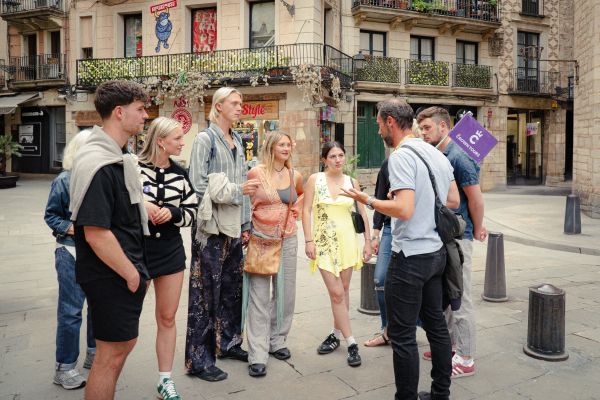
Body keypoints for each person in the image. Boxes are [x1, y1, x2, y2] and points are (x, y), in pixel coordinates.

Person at [339, 98, 459, 400]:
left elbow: (403, 210)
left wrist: (367, 199)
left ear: (390, 121)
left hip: (411, 258)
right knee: (436, 328)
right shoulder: (435, 154)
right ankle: (440, 394)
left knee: (403, 337)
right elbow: (453, 200)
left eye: (379, 123)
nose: (378, 129)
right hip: (437, 255)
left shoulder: (401, 157)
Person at [69, 80, 150, 400]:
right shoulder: (99, 163)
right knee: (109, 357)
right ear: (119, 113)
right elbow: (96, 232)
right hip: (111, 275)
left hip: (120, 272)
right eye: (140, 109)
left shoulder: (117, 158)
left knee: (119, 349)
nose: (146, 115)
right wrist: (131, 275)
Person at [185, 87, 260, 382]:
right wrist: (235, 192)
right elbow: (197, 185)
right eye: (235, 103)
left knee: (232, 291)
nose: (240, 107)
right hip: (211, 230)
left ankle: (228, 343)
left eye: (241, 103)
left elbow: (243, 181)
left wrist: (245, 226)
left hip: (234, 229)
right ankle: (199, 360)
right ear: (218, 107)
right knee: (205, 295)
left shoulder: (238, 140)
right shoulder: (205, 140)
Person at [417, 107, 488, 378]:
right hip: (445, 235)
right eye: (420, 129)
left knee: (461, 298)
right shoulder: (439, 154)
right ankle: (448, 346)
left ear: (444, 127)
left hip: (460, 237)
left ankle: (466, 357)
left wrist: (478, 227)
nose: (423, 134)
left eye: (427, 129)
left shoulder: (459, 156)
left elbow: (476, 199)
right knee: (446, 297)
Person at [138, 117, 198, 399]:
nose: (182, 143)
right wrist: (144, 207)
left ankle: (165, 380)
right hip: (137, 250)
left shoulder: (181, 173)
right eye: (177, 138)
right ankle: (106, 366)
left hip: (171, 251)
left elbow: (192, 211)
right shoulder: (133, 167)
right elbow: (121, 202)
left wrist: (172, 214)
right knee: (128, 316)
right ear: (160, 140)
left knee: (167, 316)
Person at [302, 141, 372, 368]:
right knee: (336, 293)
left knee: (341, 292)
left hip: (347, 241)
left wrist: (368, 242)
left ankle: (334, 334)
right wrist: (309, 240)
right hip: (323, 244)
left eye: (341, 155)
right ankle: (351, 342)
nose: (338, 160)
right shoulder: (315, 179)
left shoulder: (352, 181)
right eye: (332, 156)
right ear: (324, 159)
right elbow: (305, 210)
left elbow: (362, 211)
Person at [245, 131, 304, 377]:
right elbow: (245, 202)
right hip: (261, 240)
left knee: (285, 294)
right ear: (270, 146)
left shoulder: (295, 174)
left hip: (288, 239)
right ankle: (257, 353)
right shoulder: (255, 173)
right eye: (282, 144)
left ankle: (277, 340)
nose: (286, 148)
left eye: (289, 145)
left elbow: (300, 195)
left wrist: (297, 209)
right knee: (259, 296)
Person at [44, 129, 95, 390]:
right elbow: (51, 216)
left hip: (100, 253)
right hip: (70, 252)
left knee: (98, 308)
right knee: (71, 312)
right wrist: (73, 228)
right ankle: (64, 368)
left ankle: (93, 355)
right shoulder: (64, 180)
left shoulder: (101, 178)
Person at [363, 157, 391, 347]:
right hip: (390, 227)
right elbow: (379, 197)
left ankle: (402, 330)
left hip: (415, 230)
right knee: (380, 279)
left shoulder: (424, 158)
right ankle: (387, 329)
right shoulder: (389, 163)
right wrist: (375, 234)